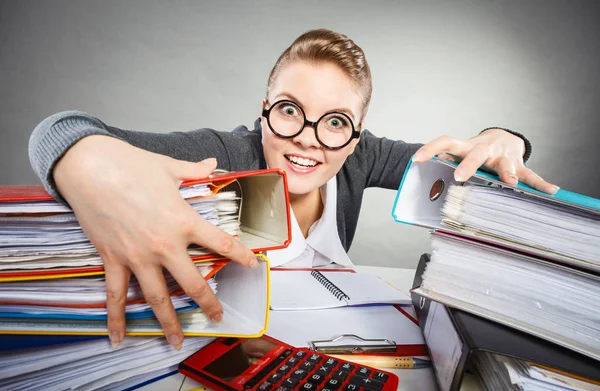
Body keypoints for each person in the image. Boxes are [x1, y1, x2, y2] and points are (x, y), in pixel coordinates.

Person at [28, 28, 557, 350]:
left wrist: (504, 138)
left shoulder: (360, 157)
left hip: (334, 352)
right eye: (288, 111)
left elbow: (470, 167)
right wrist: (86, 160)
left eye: (334, 122)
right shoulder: (230, 155)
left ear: (356, 135)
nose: (307, 138)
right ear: (263, 111)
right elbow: (61, 131)